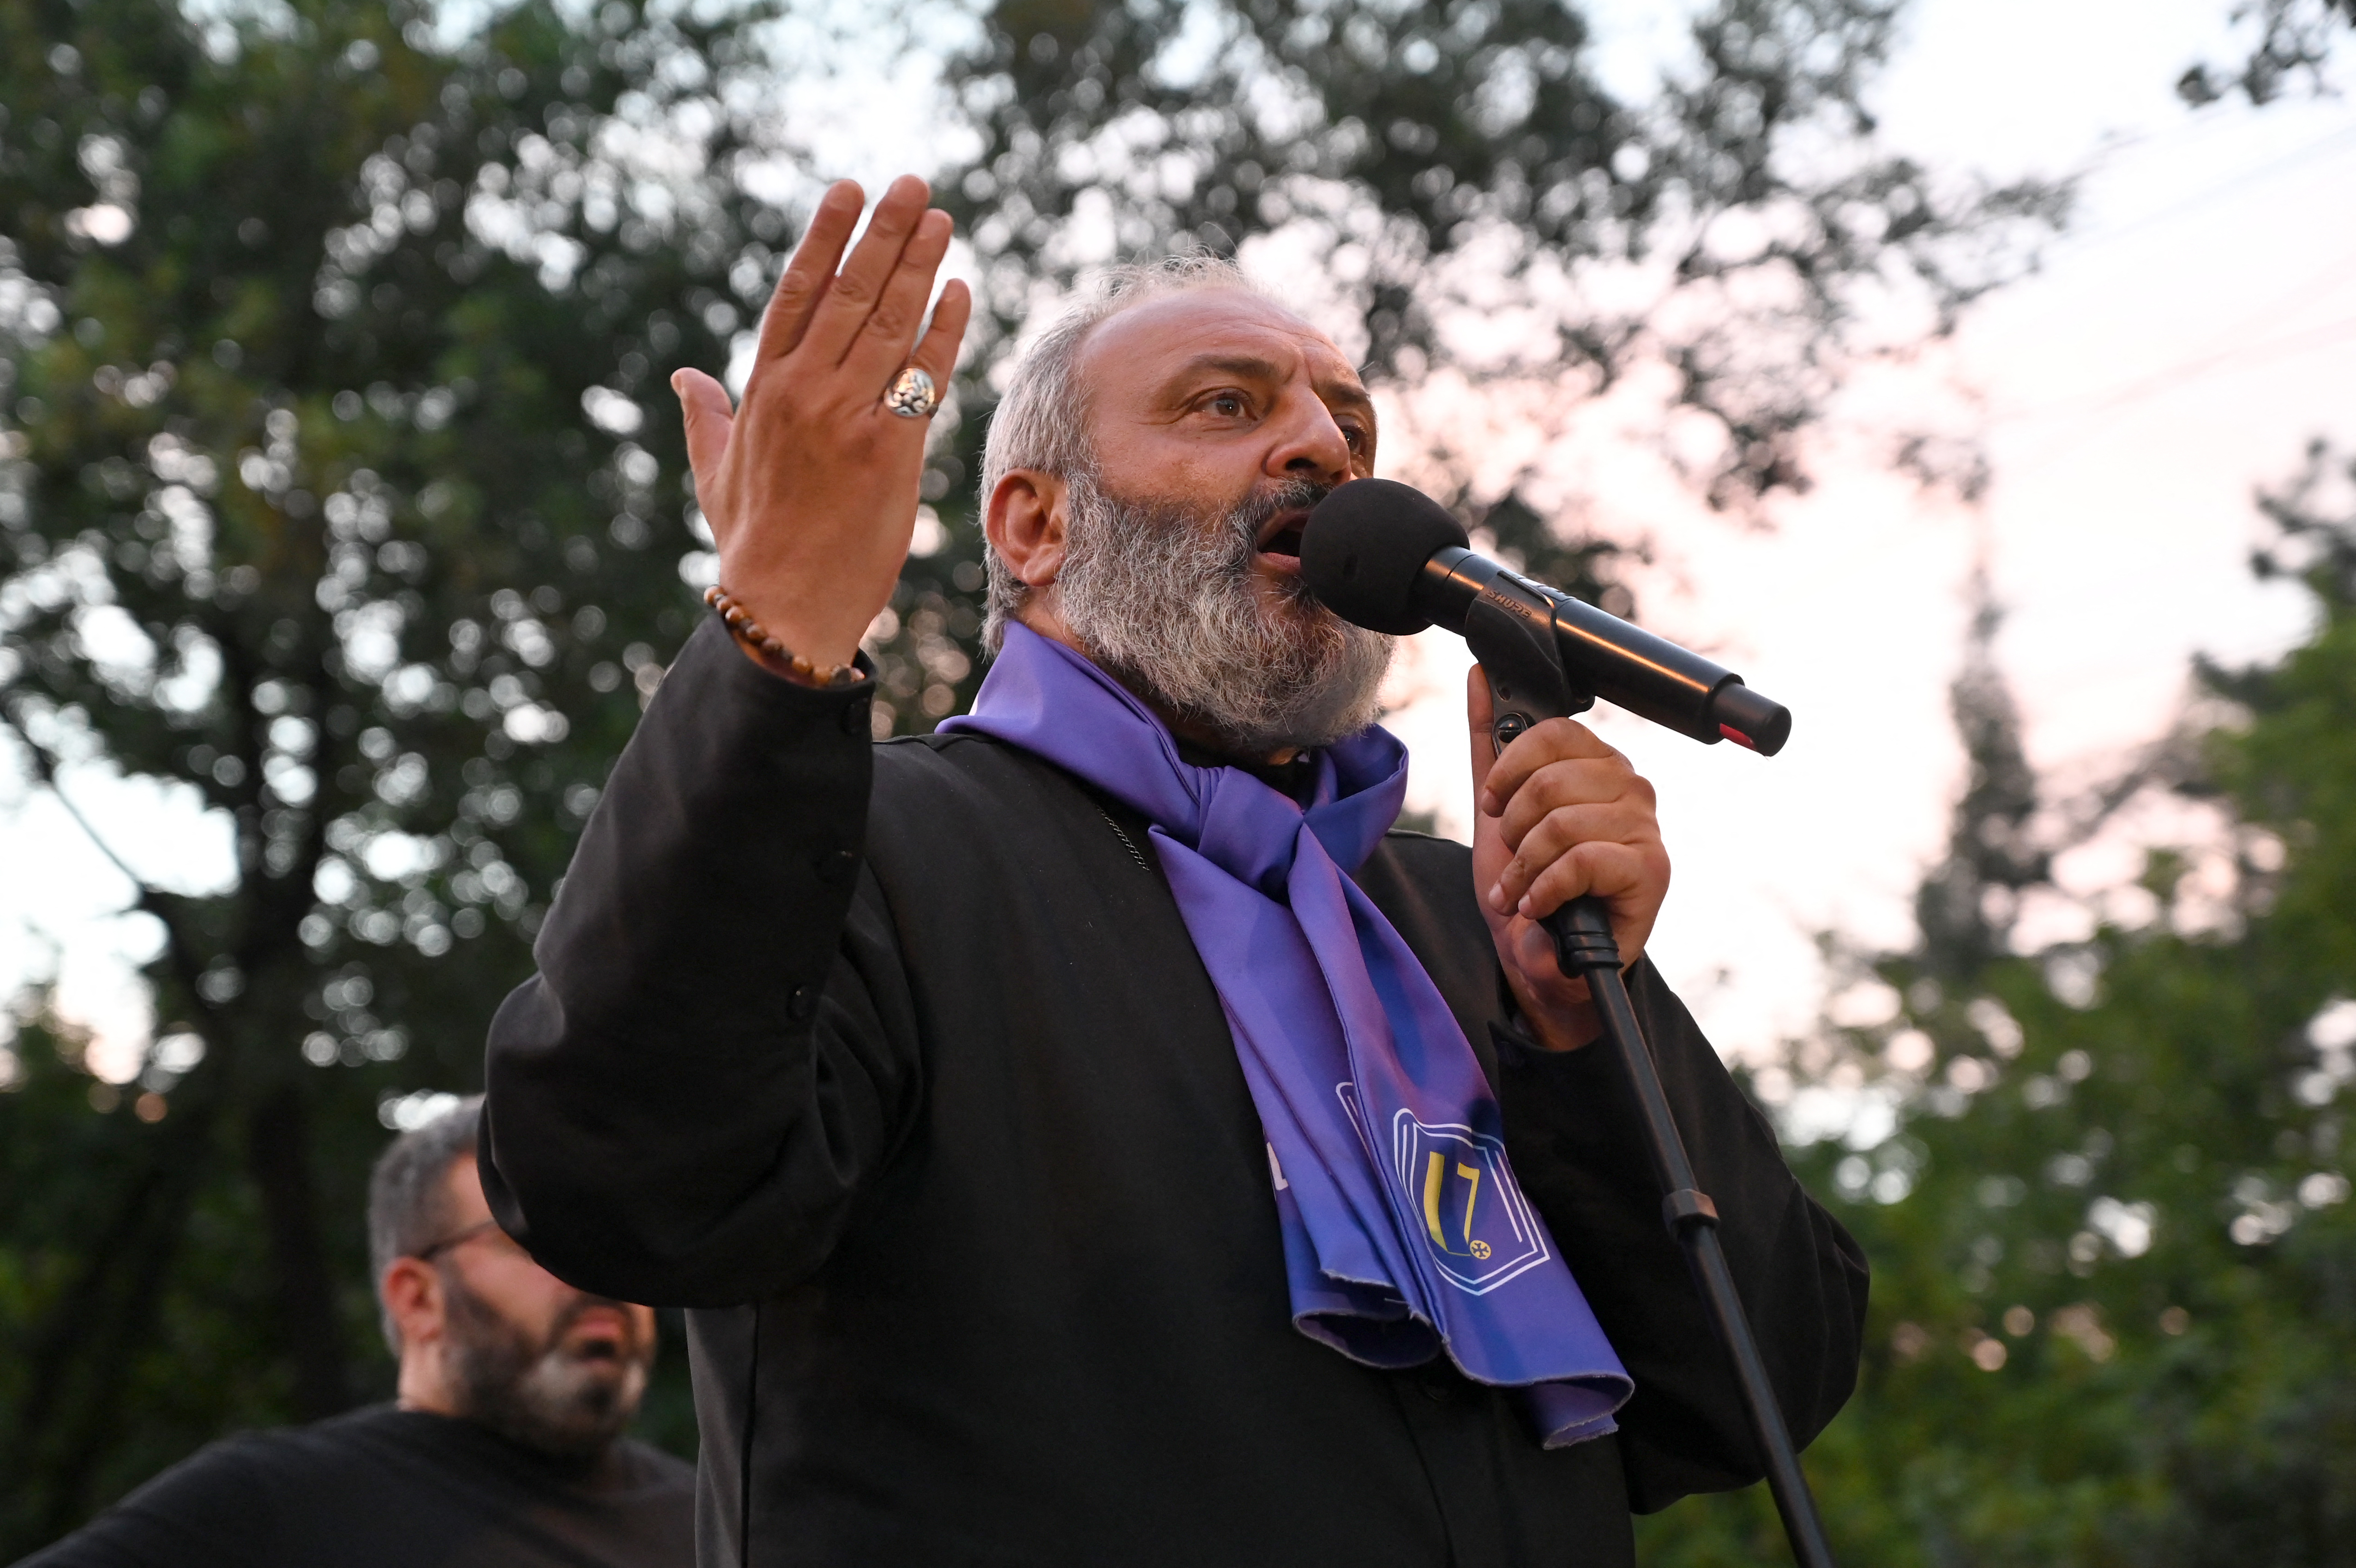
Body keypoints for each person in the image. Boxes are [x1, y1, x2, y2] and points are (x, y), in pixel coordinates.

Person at [479, 174, 1868, 1568]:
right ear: (1036, 528)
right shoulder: (866, 849)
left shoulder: (1472, 918)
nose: (1327, 449)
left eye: (1351, 422)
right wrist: (774, 636)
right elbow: (625, 1180)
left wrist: (1577, 1022)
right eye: (1227, 404)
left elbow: (1754, 1392)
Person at [18, 1097, 692, 1568]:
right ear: (418, 1297)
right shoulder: (273, 1507)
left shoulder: (717, 1513)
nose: (598, 1271)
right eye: (540, 1242)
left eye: (617, 1240)